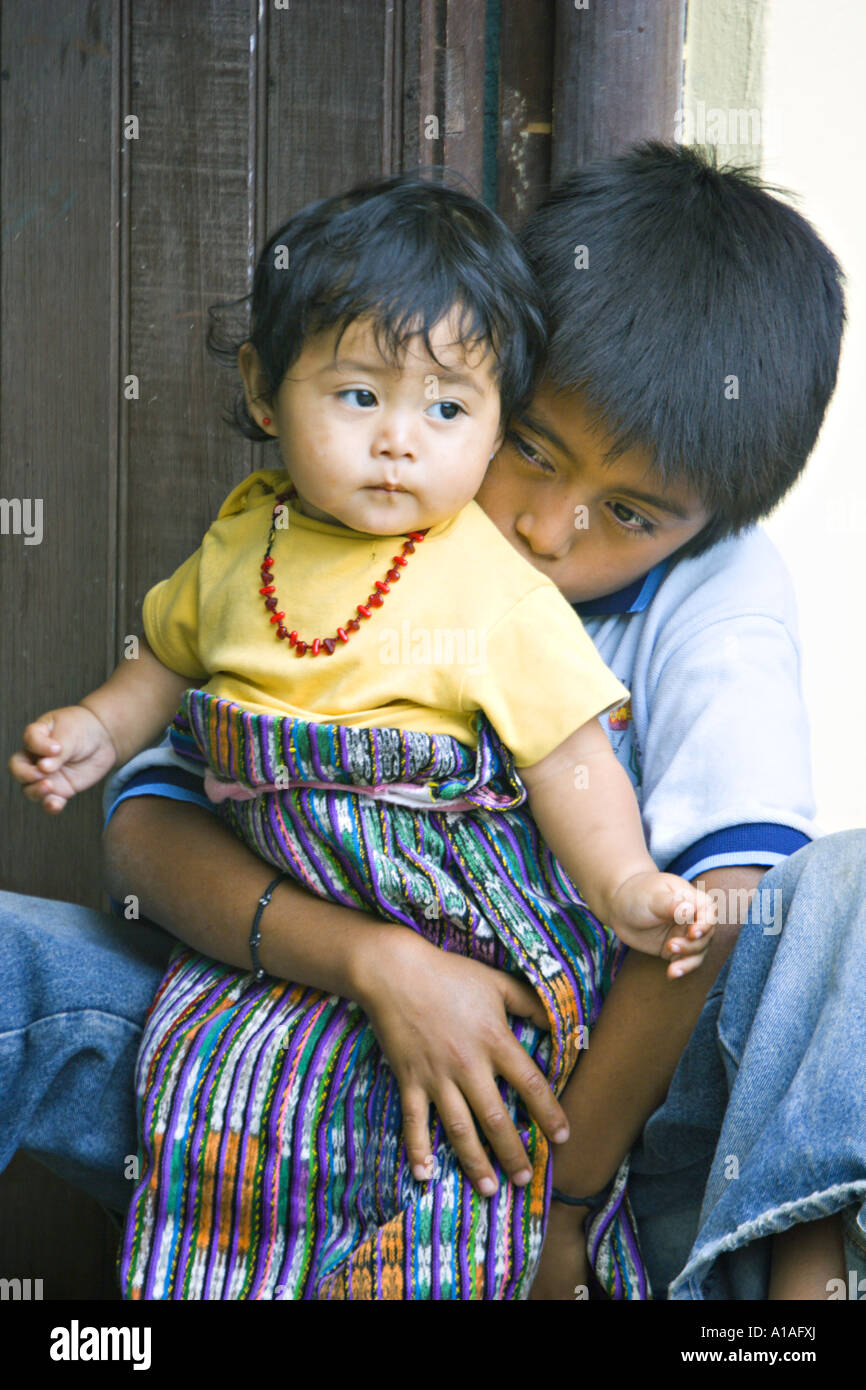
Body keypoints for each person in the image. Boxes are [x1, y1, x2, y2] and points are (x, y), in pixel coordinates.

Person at [6, 145, 861, 1300]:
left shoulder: (717, 590)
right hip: (269, 1056)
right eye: (530, 449)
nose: (548, 530)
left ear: (706, 525)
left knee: (836, 891)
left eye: (626, 512)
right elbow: (145, 829)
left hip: (594, 1117)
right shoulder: (345, 521)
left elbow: (714, 912)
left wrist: (558, 1201)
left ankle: (790, 1290)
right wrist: (381, 966)